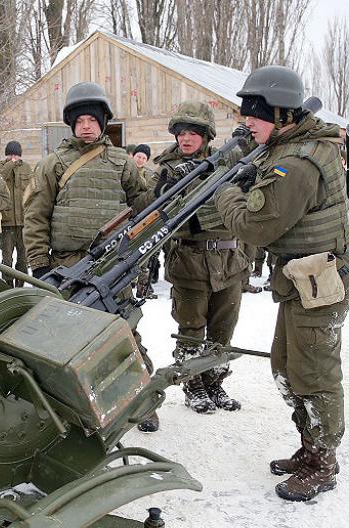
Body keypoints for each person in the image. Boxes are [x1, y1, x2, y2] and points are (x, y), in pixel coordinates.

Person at [213, 65, 349, 502]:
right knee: (286, 367)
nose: (247, 123)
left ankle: (322, 462)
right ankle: (309, 446)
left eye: (254, 115)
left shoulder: (297, 162)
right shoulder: (287, 146)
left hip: (320, 282)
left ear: (280, 114)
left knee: (314, 374)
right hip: (302, 280)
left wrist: (226, 191)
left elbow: (257, 229)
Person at [23, 82, 156, 429]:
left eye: (92, 119)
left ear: (103, 122)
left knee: (123, 330)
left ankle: (142, 399)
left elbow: (143, 208)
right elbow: (35, 217)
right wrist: (39, 265)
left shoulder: (123, 163)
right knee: (68, 338)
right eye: (79, 120)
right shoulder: (53, 164)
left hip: (112, 264)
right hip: (67, 266)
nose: (86, 126)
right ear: (71, 124)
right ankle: (74, 405)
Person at [152, 101, 250, 416]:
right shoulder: (168, 169)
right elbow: (163, 213)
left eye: (193, 132)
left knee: (223, 329)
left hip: (228, 259)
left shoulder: (227, 160)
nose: (186, 138)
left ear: (206, 136)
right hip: (190, 260)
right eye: (181, 132)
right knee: (191, 328)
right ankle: (193, 386)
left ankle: (214, 382)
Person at [0, 141, 33, 286]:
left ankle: (20, 286)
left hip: (24, 222)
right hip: (7, 222)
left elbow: (33, 191)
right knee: (7, 259)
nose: (13, 157)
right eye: (10, 154)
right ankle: (7, 285)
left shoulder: (27, 168)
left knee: (23, 259)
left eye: (16, 154)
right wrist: (10, 164)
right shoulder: (0, 168)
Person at [132, 143, 159, 299]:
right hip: (128, 217)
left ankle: (143, 288)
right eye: (138, 156)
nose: (141, 159)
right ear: (133, 156)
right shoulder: (126, 171)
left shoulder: (150, 175)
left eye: (144, 157)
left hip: (145, 217)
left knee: (144, 253)